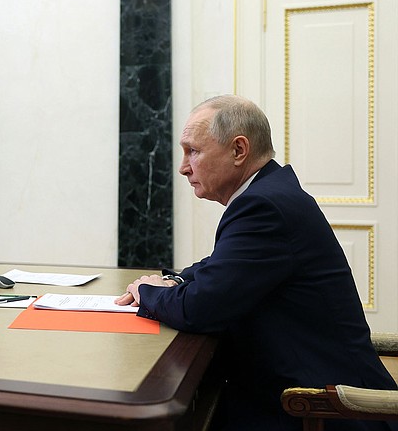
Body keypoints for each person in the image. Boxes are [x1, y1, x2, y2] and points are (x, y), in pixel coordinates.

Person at [114, 95, 398, 431]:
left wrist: (148, 292)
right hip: (292, 387)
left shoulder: (264, 206)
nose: (183, 166)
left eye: (193, 151)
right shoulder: (270, 193)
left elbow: (200, 309)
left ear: (238, 150)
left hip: (318, 410)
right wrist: (177, 282)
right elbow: (224, 267)